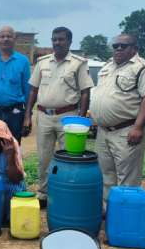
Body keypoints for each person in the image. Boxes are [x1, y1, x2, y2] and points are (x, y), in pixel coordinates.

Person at [24, 26, 93, 206]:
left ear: (69, 41)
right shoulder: (42, 62)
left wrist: (81, 120)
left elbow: (85, 92)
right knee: (43, 158)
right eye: (54, 39)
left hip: (68, 117)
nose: (57, 42)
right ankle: (43, 193)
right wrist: (27, 115)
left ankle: (66, 193)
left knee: (69, 157)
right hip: (44, 116)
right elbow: (33, 90)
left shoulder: (78, 63)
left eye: (61, 39)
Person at [90, 33, 145, 201]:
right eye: (115, 46)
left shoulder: (143, 68)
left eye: (123, 46)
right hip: (103, 131)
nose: (118, 49)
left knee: (127, 179)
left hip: (126, 131)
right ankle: (109, 210)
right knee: (105, 175)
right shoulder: (107, 66)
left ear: (134, 49)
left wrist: (138, 127)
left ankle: (124, 213)